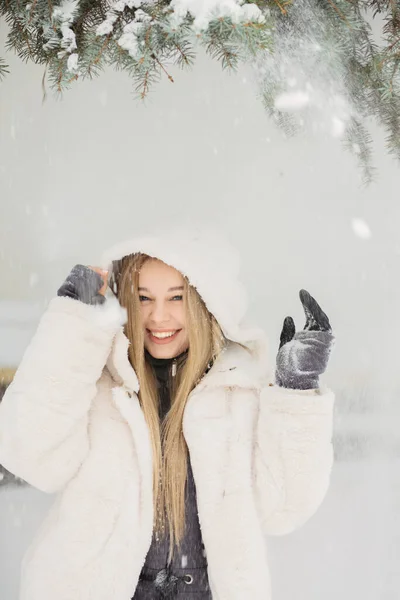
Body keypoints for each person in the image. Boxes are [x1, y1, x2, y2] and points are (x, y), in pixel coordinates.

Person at [0, 226, 335, 600]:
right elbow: (32, 457)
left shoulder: (238, 392)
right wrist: (71, 328)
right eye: (143, 298)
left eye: (177, 297)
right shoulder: (93, 381)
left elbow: (282, 508)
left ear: (206, 303)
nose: (159, 316)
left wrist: (297, 391)